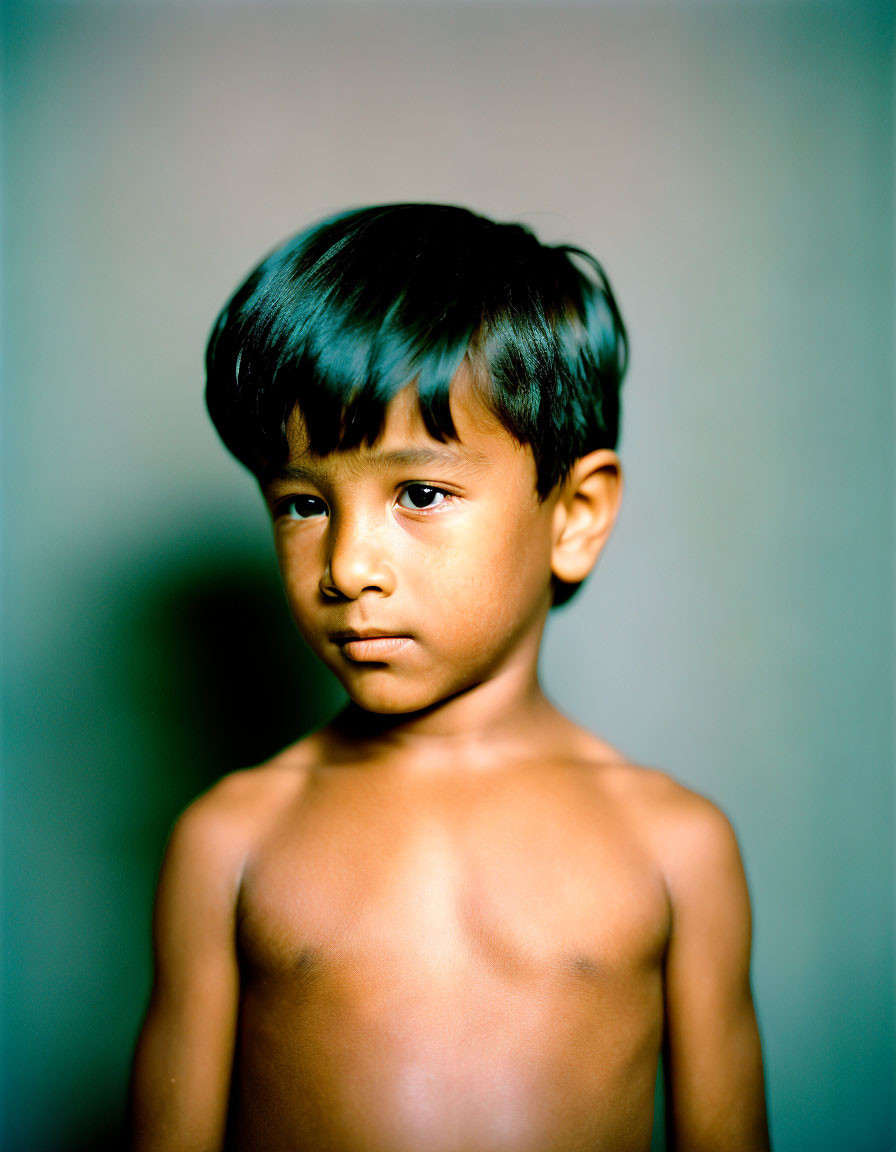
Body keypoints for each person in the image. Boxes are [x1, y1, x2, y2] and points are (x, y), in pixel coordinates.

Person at [129, 203, 770, 1151]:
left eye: (419, 494)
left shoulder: (674, 847)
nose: (347, 566)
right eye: (302, 503)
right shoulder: (231, 843)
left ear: (577, 514)